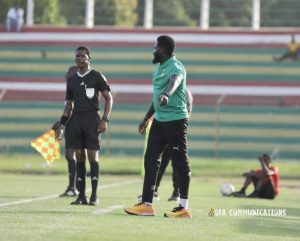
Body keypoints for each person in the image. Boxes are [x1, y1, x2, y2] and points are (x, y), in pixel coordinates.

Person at [124, 35, 192, 218]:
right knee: (151, 158)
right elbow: (156, 98)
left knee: (180, 162)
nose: (153, 50)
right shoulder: (160, 68)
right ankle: (147, 204)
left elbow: (175, 81)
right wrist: (146, 118)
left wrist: (168, 95)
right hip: (159, 121)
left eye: (155, 47)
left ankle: (183, 208)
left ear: (162, 50)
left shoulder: (175, 66)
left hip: (176, 121)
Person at [55, 46, 113, 206]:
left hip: (92, 119)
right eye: (77, 56)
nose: (79, 58)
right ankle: (81, 196)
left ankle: (94, 196)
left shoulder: (97, 76)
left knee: (92, 157)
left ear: (89, 58)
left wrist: (104, 119)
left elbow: (109, 98)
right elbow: (69, 104)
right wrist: (62, 123)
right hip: (76, 121)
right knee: (79, 156)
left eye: (82, 56)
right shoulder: (72, 80)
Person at [149, 88, 193, 202]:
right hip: (163, 131)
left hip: (175, 131)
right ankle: (153, 190)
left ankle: (176, 192)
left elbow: (187, 113)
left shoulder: (185, 92)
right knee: (160, 162)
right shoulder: (163, 89)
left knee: (177, 163)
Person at [52, 66, 81, 197]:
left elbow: (73, 109)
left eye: (70, 73)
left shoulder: (76, 88)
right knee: (71, 155)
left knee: (73, 154)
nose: (67, 75)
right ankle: (74, 187)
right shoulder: (70, 88)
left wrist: (61, 124)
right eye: (67, 73)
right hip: (71, 125)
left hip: (77, 125)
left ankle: (74, 187)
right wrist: (60, 122)